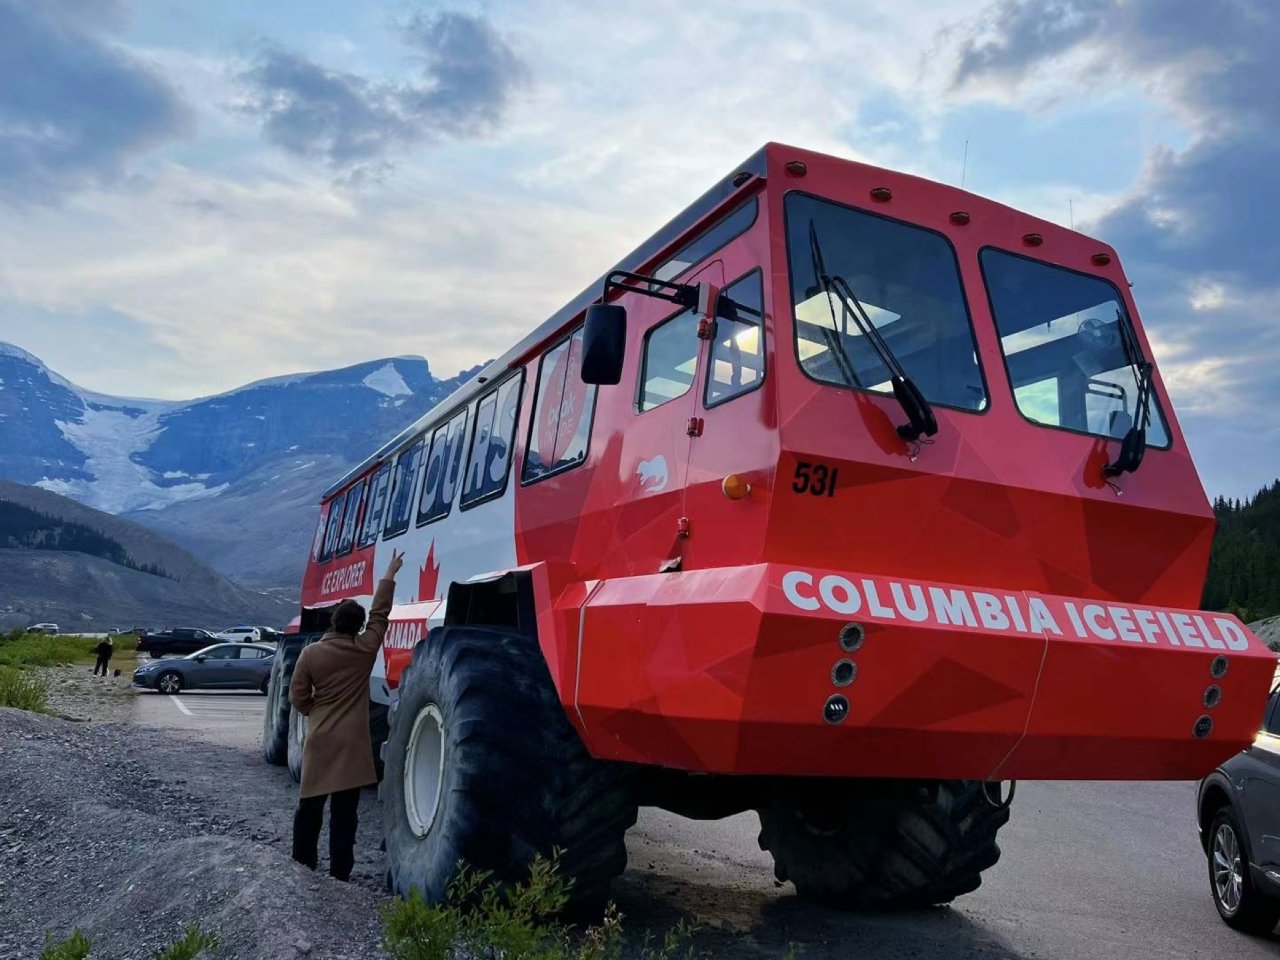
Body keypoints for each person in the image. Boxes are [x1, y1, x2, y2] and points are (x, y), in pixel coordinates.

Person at [289, 549, 403, 881]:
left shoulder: (312, 653)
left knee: (310, 807)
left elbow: (297, 696)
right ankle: (341, 874)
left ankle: (303, 865)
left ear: (333, 622)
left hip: (321, 739)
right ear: (357, 626)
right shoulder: (364, 650)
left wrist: (313, 709)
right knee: (345, 814)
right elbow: (380, 614)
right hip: (353, 744)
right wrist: (389, 575)